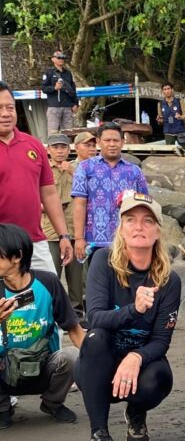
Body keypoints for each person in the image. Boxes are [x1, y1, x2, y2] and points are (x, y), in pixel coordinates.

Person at [74, 192, 181, 441]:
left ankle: (136, 412)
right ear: (121, 228)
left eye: (147, 221)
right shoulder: (103, 261)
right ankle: (99, 437)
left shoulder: (169, 280)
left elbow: (161, 341)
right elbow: (94, 318)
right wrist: (134, 310)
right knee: (95, 339)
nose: (139, 227)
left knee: (157, 378)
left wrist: (136, 357)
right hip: (102, 361)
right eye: (130, 220)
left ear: (158, 231)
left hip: (141, 360)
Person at [0, 224, 84, 429]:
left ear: (17, 257)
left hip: (43, 367)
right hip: (5, 371)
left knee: (71, 356)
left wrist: (98, 363)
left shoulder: (47, 282)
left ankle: (52, 403)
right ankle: (2, 408)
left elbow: (73, 328)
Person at [0, 82, 73, 275]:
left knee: (49, 296)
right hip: (0, 245)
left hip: (35, 242)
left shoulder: (34, 145)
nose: (6, 113)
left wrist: (63, 235)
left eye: (10, 107)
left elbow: (49, 194)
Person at [72, 122, 148, 261]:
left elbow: (145, 205)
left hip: (127, 240)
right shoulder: (85, 168)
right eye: (107, 140)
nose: (112, 144)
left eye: (116, 140)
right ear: (99, 142)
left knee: (126, 281)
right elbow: (79, 204)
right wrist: (79, 238)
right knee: (97, 281)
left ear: (123, 142)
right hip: (95, 242)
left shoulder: (134, 171)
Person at [41, 133, 85, 319]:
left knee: (76, 278)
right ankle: (51, 314)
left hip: (75, 231)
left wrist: (73, 171)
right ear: (48, 150)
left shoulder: (78, 168)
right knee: (52, 275)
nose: (59, 151)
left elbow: (90, 190)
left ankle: (76, 315)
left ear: (69, 149)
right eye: (55, 147)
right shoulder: (44, 170)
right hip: (51, 232)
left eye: (63, 147)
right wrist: (48, 208)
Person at [41, 50, 78, 133]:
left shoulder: (68, 73)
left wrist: (76, 103)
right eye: (59, 57)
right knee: (53, 133)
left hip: (68, 107)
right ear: (53, 59)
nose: (61, 59)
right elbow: (44, 88)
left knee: (69, 133)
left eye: (63, 57)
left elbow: (73, 89)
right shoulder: (49, 72)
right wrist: (54, 88)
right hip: (54, 107)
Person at [156, 83, 185, 154]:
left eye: (168, 89)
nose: (167, 91)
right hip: (168, 132)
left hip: (180, 131)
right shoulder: (160, 104)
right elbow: (161, 118)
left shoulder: (179, 101)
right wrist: (159, 120)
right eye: (165, 89)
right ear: (163, 92)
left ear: (172, 90)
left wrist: (181, 117)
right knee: (170, 154)